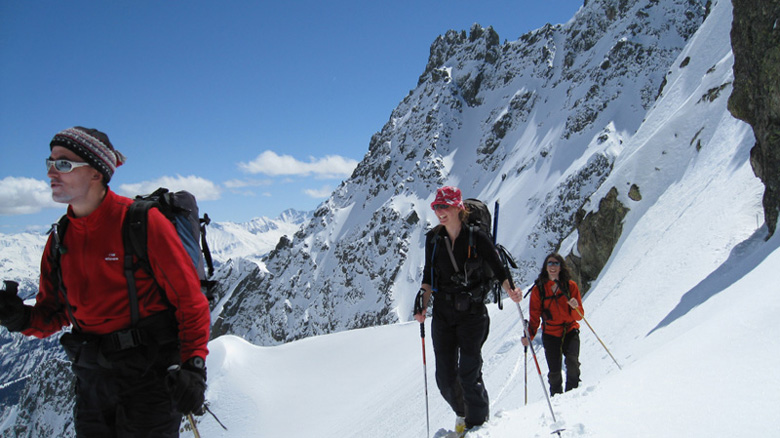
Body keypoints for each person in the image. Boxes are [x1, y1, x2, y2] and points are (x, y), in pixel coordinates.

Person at [0, 127, 211, 437]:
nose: (50, 173)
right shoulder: (60, 238)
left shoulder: (141, 222)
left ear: (96, 173)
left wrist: (193, 366)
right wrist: (19, 318)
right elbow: (53, 315)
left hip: (149, 377)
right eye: (49, 162)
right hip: (92, 381)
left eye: (63, 164)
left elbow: (189, 301)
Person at [414, 186, 521, 433]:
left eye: (445, 207)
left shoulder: (476, 237)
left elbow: (498, 268)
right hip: (442, 313)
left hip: (472, 313)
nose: (440, 212)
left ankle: (478, 424)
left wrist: (511, 289)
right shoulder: (433, 239)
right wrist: (423, 303)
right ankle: (463, 413)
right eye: (437, 207)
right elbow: (428, 276)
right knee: (445, 378)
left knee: (469, 373)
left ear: (458, 208)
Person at [509, 253, 583, 396]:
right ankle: (556, 398)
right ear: (546, 267)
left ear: (561, 267)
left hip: (570, 330)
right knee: (554, 371)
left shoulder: (570, 286)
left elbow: (579, 316)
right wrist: (528, 336)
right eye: (550, 263)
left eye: (556, 263)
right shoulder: (539, 290)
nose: (553, 266)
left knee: (573, 363)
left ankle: (572, 396)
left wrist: (575, 308)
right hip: (551, 334)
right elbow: (534, 317)